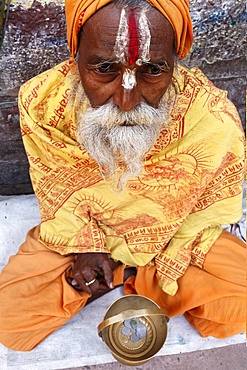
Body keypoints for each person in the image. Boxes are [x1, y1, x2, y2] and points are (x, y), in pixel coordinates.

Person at [0, 0, 245, 352]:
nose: (127, 100)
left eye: (153, 70)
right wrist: (86, 247)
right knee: (9, 322)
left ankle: (129, 273)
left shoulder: (211, 115)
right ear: (75, 57)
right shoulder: (41, 103)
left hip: (171, 239)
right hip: (81, 236)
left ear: (175, 62)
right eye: (103, 68)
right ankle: (116, 273)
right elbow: (55, 189)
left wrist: (160, 252)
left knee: (240, 304)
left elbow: (199, 216)